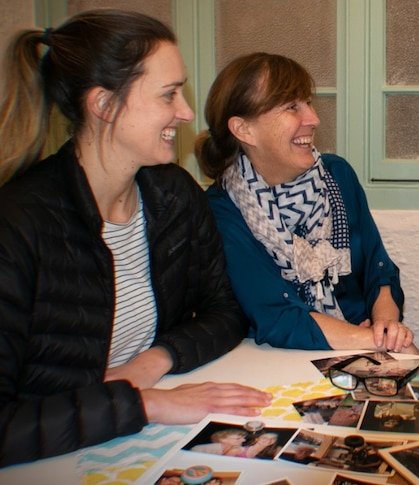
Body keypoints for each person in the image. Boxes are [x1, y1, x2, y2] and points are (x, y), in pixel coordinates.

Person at [0, 10, 271, 467]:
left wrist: (156, 360)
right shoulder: (18, 224)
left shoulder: (174, 194)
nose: (185, 112)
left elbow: (225, 311)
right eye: (169, 94)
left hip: (135, 436)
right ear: (104, 105)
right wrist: (142, 403)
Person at [195, 52, 418, 354]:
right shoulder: (222, 211)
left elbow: (380, 271)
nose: (313, 119)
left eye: (308, 103)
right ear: (244, 129)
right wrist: (377, 342)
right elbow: (277, 316)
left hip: (366, 346)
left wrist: (387, 326)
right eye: (291, 107)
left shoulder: (338, 175)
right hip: (281, 363)